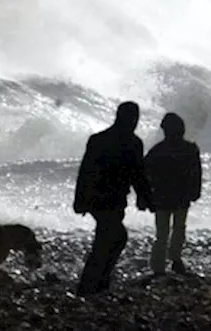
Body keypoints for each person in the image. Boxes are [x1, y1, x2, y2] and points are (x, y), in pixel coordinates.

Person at [73, 101, 154, 296]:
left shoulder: (98, 139)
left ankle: (97, 283)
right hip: (110, 199)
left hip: (99, 198)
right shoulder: (133, 143)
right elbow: (138, 174)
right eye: (134, 118)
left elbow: (85, 172)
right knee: (112, 238)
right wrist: (146, 199)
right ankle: (90, 286)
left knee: (111, 238)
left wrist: (80, 200)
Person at [144, 112, 202, 276]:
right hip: (181, 196)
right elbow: (196, 173)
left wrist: (146, 195)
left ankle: (158, 267)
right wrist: (195, 191)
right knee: (178, 229)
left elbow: (145, 173)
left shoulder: (157, 150)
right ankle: (175, 260)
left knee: (162, 233)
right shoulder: (190, 149)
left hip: (162, 197)